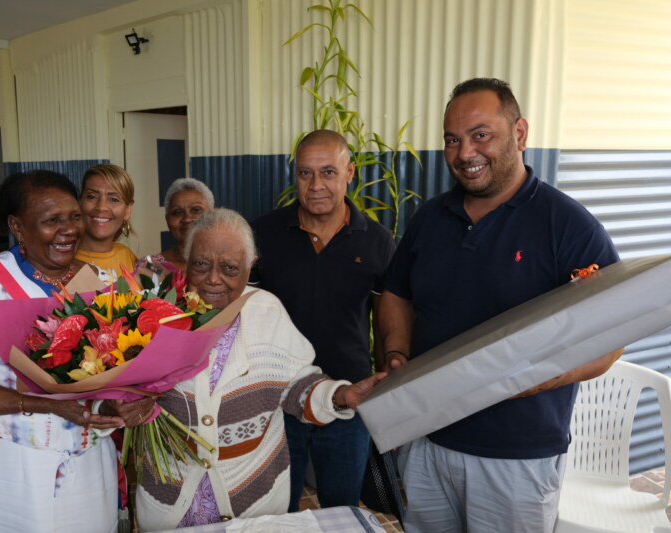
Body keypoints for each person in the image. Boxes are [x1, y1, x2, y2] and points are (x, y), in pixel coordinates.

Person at [378, 78, 623, 533]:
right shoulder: (431, 218)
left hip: (516, 456)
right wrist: (396, 354)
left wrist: (549, 375)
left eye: (481, 135)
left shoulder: (568, 225)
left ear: (520, 133)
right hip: (427, 438)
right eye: (453, 139)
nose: (465, 152)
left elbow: (612, 335)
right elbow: (396, 293)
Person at [134, 208, 387, 532]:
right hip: (170, 503)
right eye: (201, 264)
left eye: (229, 268)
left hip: (253, 504)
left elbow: (296, 384)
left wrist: (340, 394)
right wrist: (124, 405)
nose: (213, 278)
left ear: (250, 267)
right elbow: (119, 387)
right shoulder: (153, 316)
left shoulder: (266, 311)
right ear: (186, 259)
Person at [0, 170, 153, 533]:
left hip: (87, 459)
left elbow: (98, 372)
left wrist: (118, 401)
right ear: (17, 227)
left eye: (73, 217)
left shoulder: (92, 279)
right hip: (13, 465)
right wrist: (48, 404)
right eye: (52, 221)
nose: (68, 230)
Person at [250, 129, 396, 510]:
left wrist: (383, 384)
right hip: (277, 400)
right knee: (277, 508)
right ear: (294, 175)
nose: (316, 185)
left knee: (342, 510)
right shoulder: (263, 234)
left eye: (328, 172)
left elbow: (386, 322)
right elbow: (244, 316)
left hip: (349, 397)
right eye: (305, 173)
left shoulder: (377, 241)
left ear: (350, 172)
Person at [76, 164, 138, 280]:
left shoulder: (128, 256)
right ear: (79, 202)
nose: (101, 207)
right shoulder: (63, 259)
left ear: (127, 210)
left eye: (113, 199)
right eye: (91, 196)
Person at [144, 177, 215, 272]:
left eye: (196, 210)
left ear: (213, 216)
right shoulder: (151, 266)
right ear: (167, 220)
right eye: (177, 212)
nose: (187, 219)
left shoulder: (230, 263)